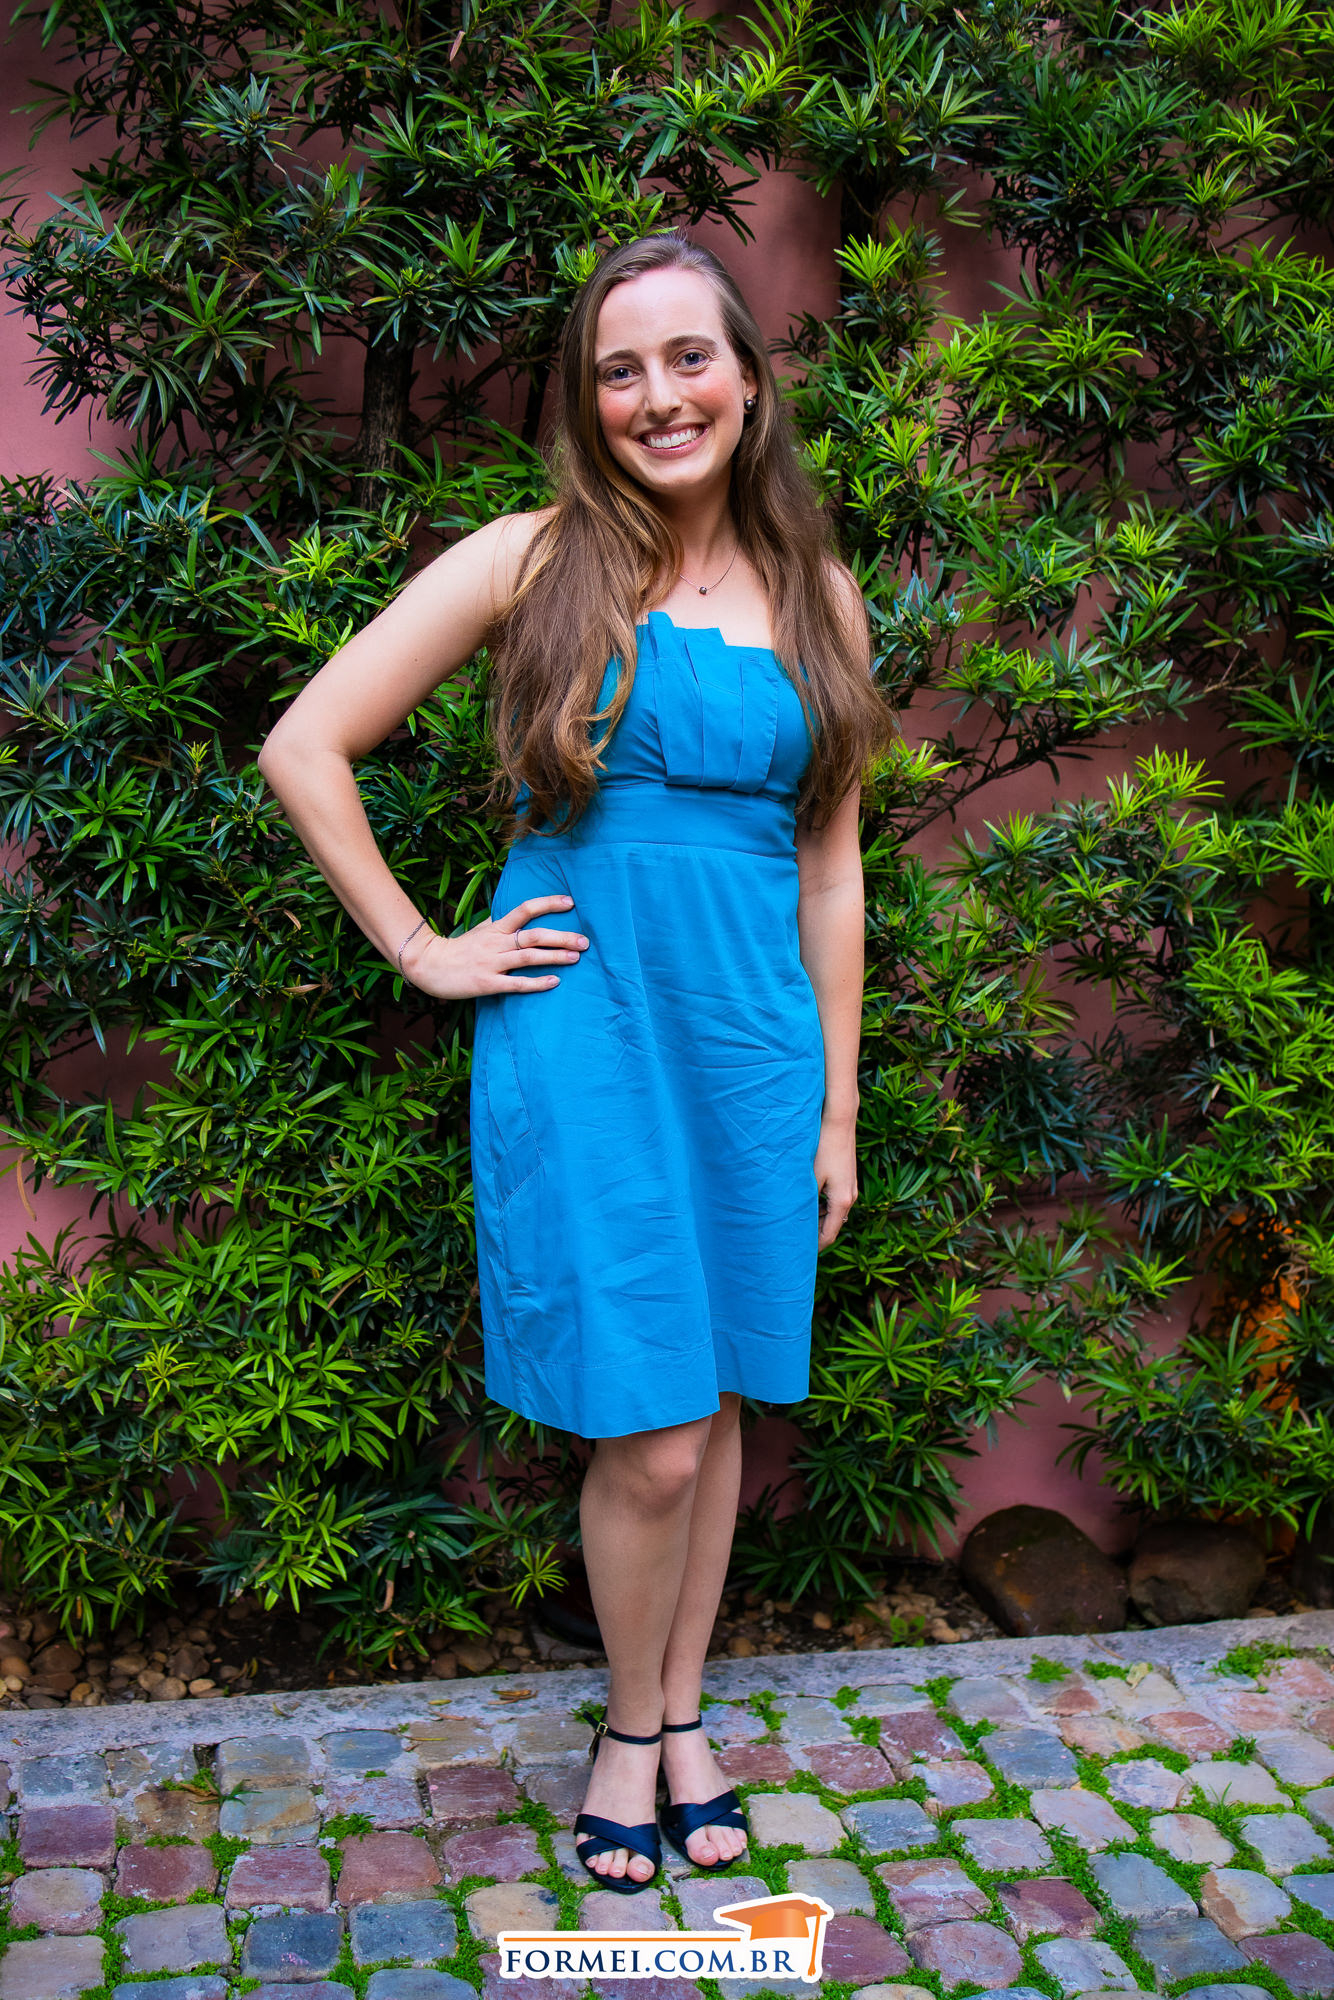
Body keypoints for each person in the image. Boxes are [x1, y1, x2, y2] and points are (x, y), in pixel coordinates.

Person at [257, 228, 891, 1893]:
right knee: (653, 1430)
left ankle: (682, 1719)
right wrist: (423, 946)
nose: (657, 396)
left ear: (746, 382)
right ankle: (626, 1728)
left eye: (689, 358)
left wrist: (836, 1102)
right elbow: (305, 744)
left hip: (751, 1049)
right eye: (620, 369)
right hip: (589, 1036)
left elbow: (830, 873)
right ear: (584, 398)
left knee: (722, 1394)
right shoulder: (529, 561)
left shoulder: (820, 598)